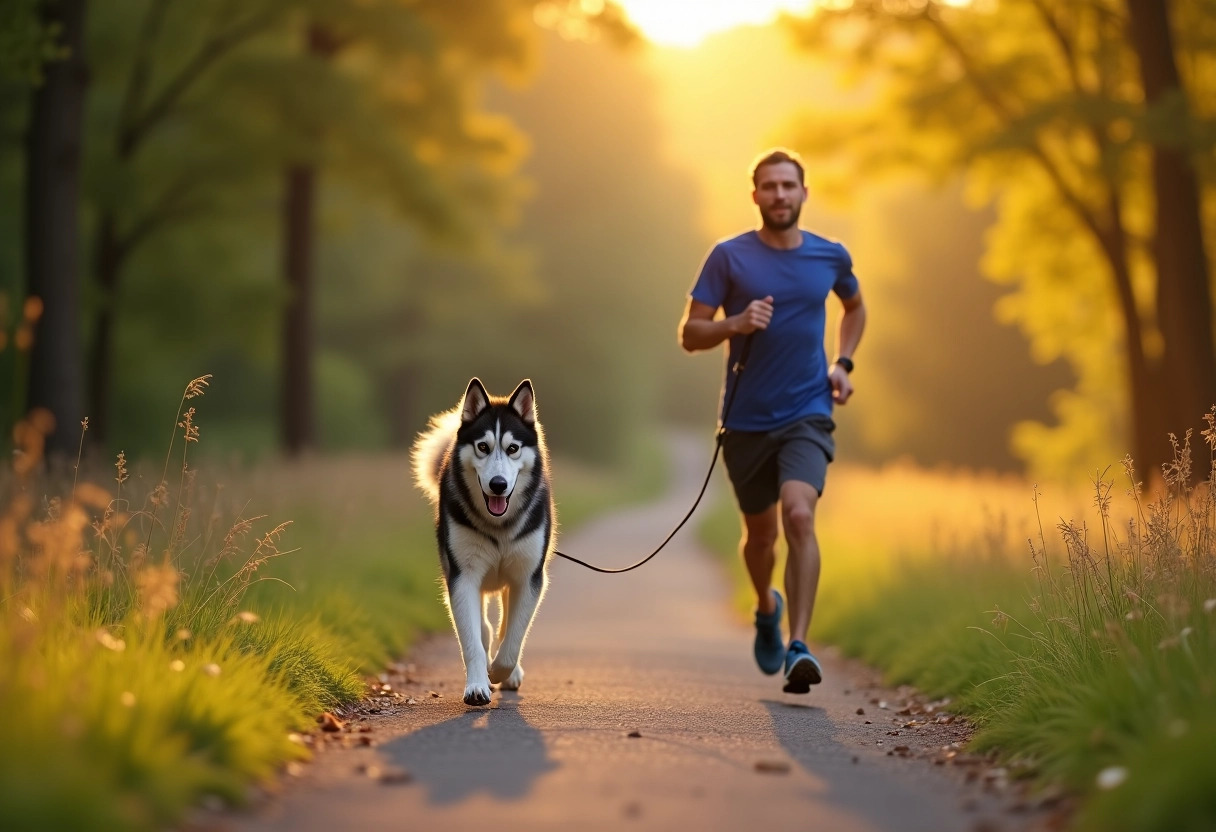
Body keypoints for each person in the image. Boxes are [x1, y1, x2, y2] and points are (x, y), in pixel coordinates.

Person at [678, 148, 866, 693]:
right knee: (760, 537)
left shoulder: (830, 256)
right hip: (744, 422)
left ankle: (799, 646)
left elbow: (854, 308)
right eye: (770, 187)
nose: (780, 195)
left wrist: (843, 363)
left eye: (789, 186)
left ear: (804, 193)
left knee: (799, 516)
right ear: (755, 195)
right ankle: (766, 607)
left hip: (808, 410)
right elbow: (690, 333)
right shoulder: (728, 258)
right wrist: (736, 322)